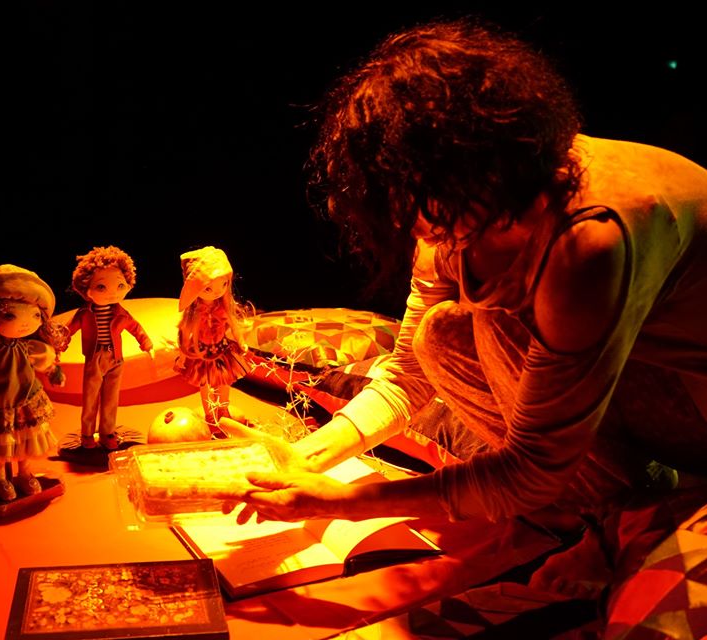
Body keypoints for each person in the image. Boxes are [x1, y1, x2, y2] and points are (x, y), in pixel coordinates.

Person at [218, 17, 707, 632]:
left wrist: (350, 502)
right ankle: (605, 512)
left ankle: (627, 520)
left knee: (489, 326)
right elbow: (408, 373)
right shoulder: (454, 210)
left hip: (694, 405)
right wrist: (308, 457)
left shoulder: (587, 242)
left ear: (478, 170)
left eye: (418, 201)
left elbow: (533, 466)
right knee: (441, 335)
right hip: (630, 381)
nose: (413, 225)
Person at [0, 265, 67, 502]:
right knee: (1, 444)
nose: (26, 324)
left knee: (25, 440)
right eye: (10, 315)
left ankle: (24, 473)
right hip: (0, 403)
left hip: (27, 400)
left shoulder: (29, 347)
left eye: (36, 316)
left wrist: (53, 371)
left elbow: (43, 360)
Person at [65, 246, 153, 450]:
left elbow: (135, 328)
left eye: (120, 285)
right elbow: (68, 330)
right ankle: (87, 435)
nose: (113, 293)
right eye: (101, 287)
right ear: (85, 288)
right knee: (90, 399)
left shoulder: (121, 314)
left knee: (111, 399)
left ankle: (107, 433)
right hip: (94, 359)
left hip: (116, 359)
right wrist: (57, 346)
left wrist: (146, 343)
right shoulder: (85, 314)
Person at [174, 246, 253, 429]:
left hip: (222, 351)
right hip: (201, 354)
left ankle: (223, 410)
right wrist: (183, 356)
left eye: (224, 285)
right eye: (208, 288)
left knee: (224, 383)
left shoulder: (223, 307)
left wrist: (241, 342)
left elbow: (234, 325)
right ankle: (209, 414)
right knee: (205, 385)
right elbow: (186, 334)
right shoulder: (194, 314)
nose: (217, 292)